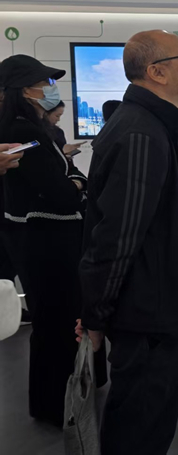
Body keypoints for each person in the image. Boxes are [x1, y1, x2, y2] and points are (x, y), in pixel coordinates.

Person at [78, 30, 178, 455]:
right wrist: (94, 316)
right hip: (149, 316)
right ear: (157, 72)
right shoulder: (142, 134)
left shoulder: (150, 125)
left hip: (152, 310)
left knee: (146, 422)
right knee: (140, 429)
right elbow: (116, 238)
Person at [0, 54, 98, 426]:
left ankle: (60, 399)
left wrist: (72, 180)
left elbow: (65, 177)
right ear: (26, 89)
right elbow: (61, 192)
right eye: (46, 83)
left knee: (55, 318)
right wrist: (77, 184)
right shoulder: (23, 131)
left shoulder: (32, 128)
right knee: (57, 321)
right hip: (48, 241)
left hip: (46, 238)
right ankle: (57, 403)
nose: (52, 90)